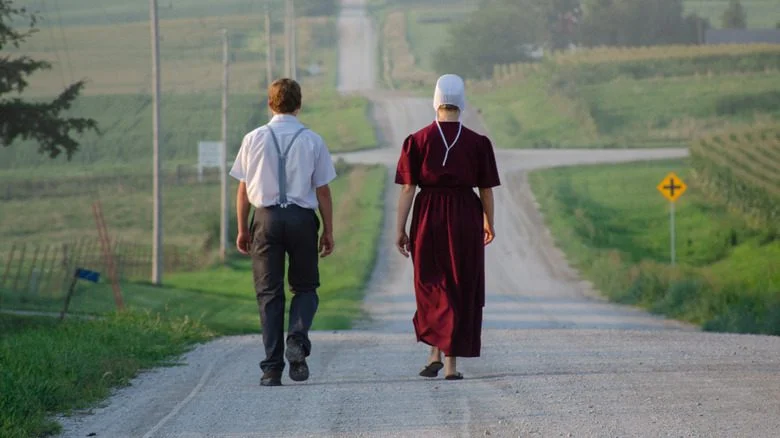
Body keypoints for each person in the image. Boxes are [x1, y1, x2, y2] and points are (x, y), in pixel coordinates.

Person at [230, 78, 337, 387]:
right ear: (298, 105)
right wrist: (328, 230)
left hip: (265, 219)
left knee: (269, 294)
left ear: (270, 103)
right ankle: (298, 339)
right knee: (305, 288)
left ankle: (271, 369)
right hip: (302, 219)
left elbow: (242, 190)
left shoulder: (253, 139)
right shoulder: (313, 140)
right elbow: (324, 192)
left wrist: (242, 228)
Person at [395, 74, 500, 380]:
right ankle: (448, 362)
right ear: (462, 102)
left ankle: (434, 351)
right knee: (459, 282)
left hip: (428, 215)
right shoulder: (478, 143)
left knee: (430, 283)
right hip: (465, 214)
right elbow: (486, 189)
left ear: (436, 101)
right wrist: (488, 222)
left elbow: (407, 189)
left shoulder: (417, 140)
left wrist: (400, 228)